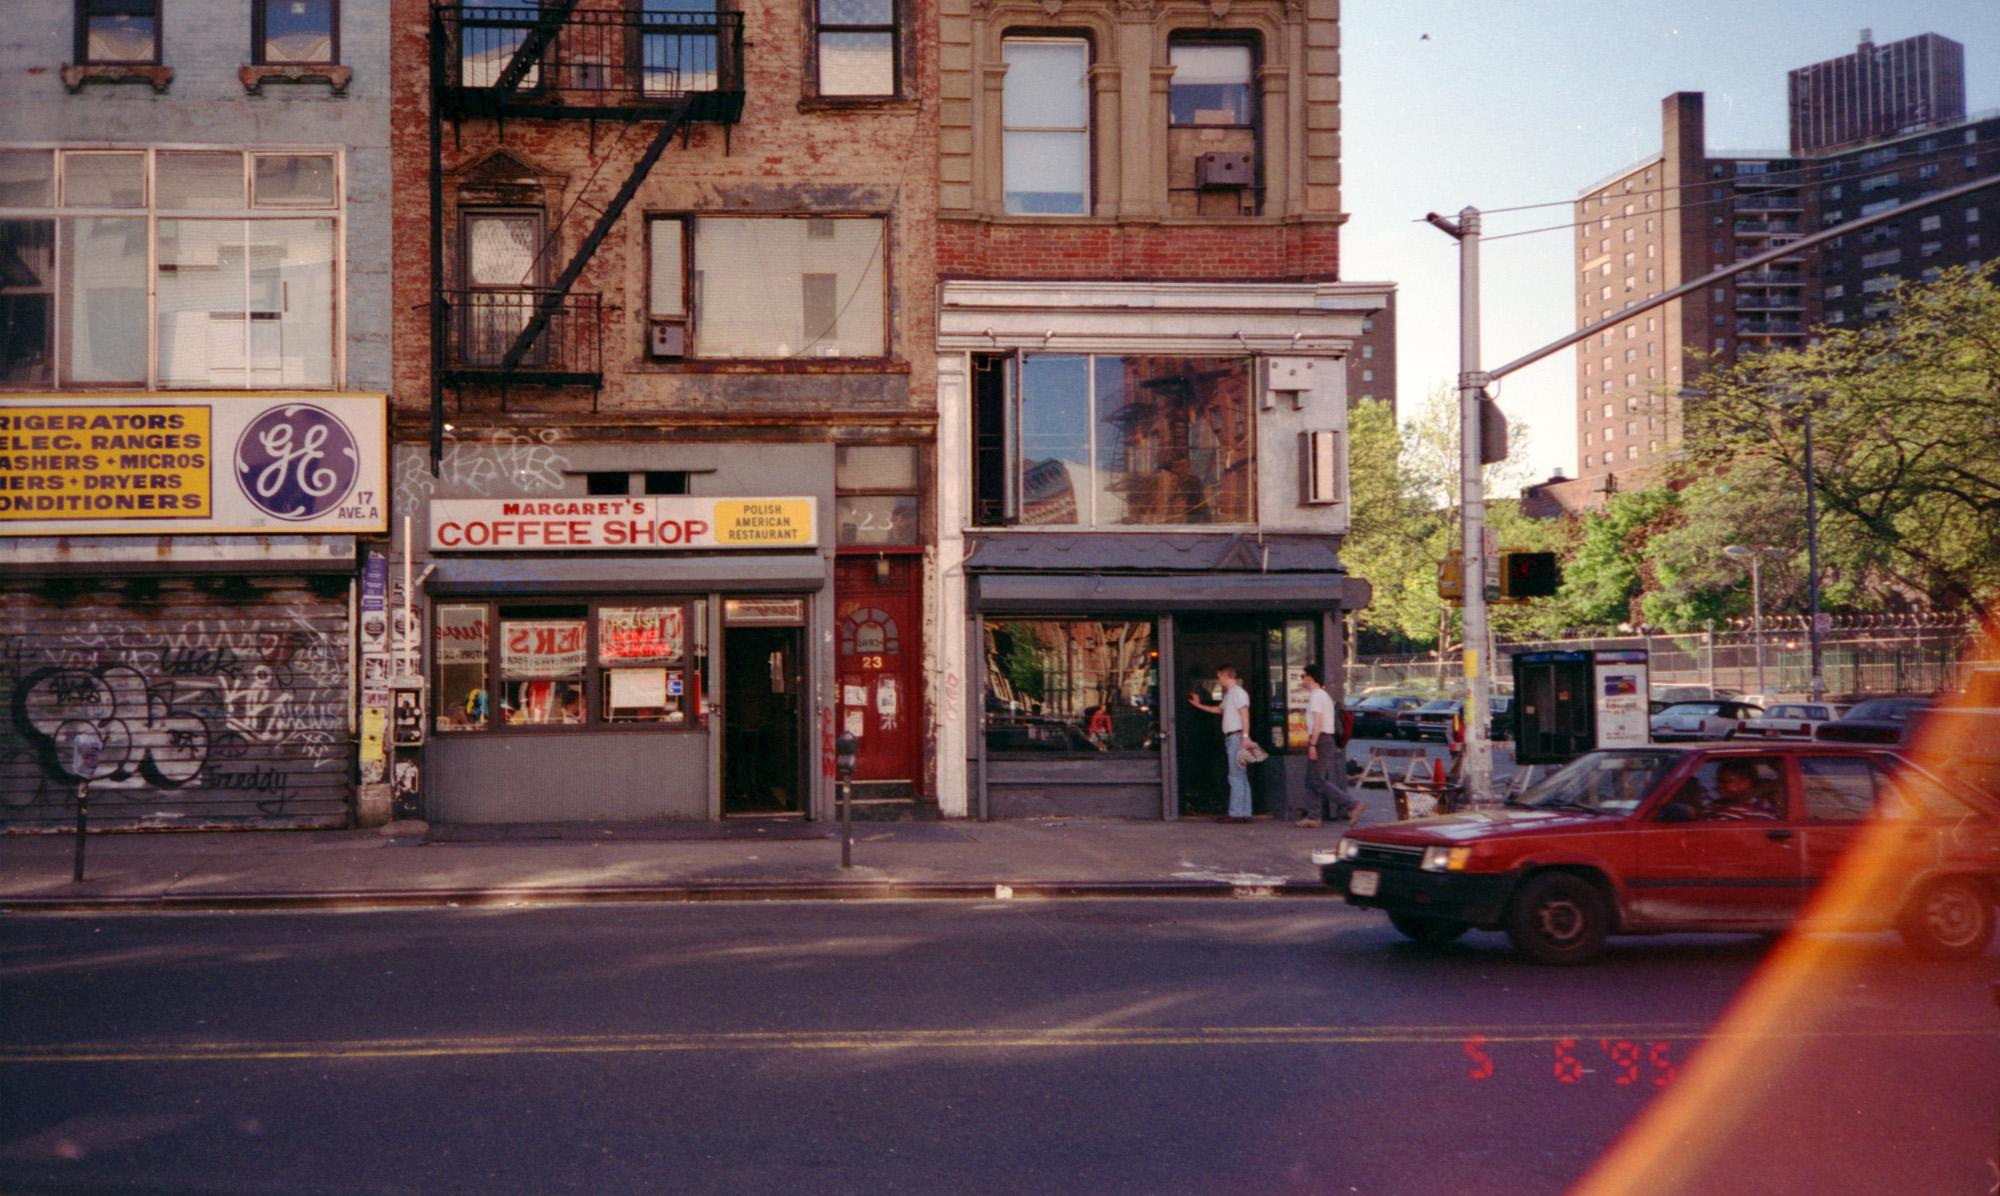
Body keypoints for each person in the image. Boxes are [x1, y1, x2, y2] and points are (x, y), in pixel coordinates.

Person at [1297, 665, 1363, 827]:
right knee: (1311, 779)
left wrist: (1312, 744)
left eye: (1303, 675)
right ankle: (1314, 817)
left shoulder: (1317, 696)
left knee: (1317, 779)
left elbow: (1318, 722)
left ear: (1310, 677)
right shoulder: (1321, 695)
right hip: (1323, 739)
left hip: (1321, 740)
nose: (1302, 679)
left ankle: (1352, 804)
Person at [1189, 666, 1254, 821]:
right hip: (1234, 737)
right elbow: (1219, 710)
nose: (1218, 680)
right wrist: (1199, 705)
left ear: (1226, 676)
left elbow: (1244, 714)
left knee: (1235, 776)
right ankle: (1244, 812)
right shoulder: (1230, 694)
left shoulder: (1238, 693)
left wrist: (1245, 736)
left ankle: (1236, 813)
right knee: (1240, 775)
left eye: (1219, 677)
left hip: (1236, 737)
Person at [1704, 759, 1780, 820]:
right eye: (1718, 780)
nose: (1719, 785)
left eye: (1725, 781)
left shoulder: (1759, 807)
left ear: (1745, 782)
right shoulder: (1714, 804)